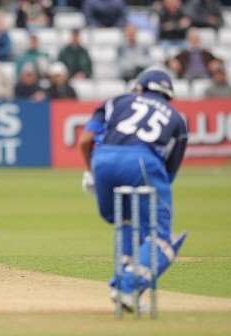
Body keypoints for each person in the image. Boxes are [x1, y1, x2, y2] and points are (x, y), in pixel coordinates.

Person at [79, 68, 188, 311]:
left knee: (125, 219)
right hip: (143, 162)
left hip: (103, 160)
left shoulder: (115, 100)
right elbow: (169, 171)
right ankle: (128, 287)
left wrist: (91, 172)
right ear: (168, 95)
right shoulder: (177, 118)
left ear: (139, 87)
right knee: (161, 236)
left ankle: (121, 283)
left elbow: (86, 140)